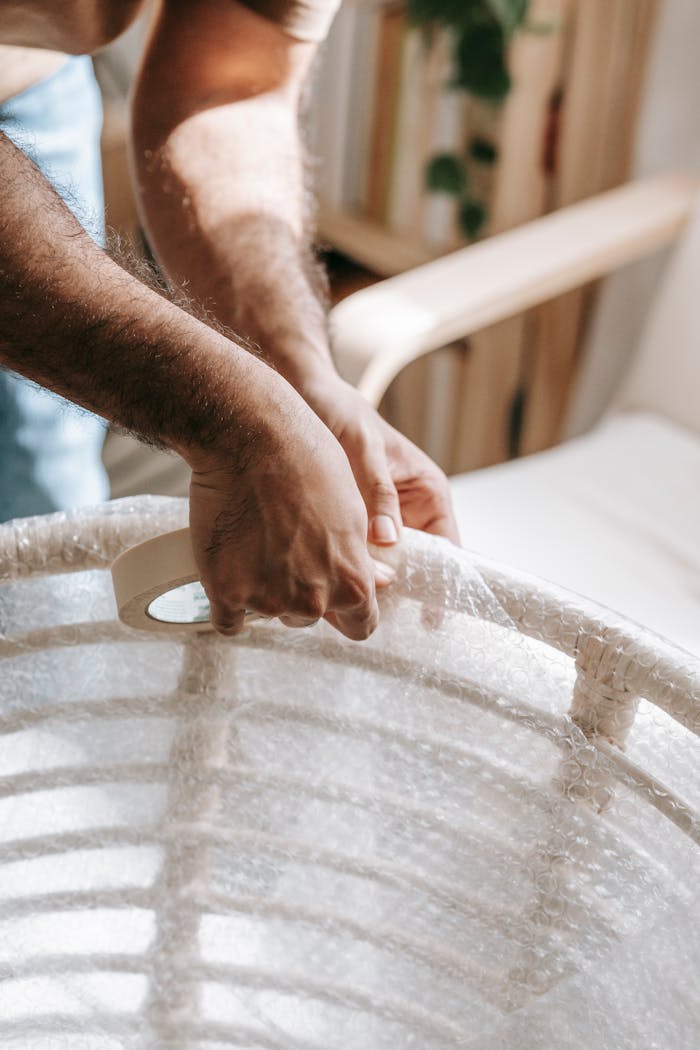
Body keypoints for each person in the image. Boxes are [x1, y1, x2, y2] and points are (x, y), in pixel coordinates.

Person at [0, 0, 458, 642]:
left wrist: (300, 380)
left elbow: (230, 85)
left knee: (38, 540)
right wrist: (235, 418)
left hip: (27, 78)